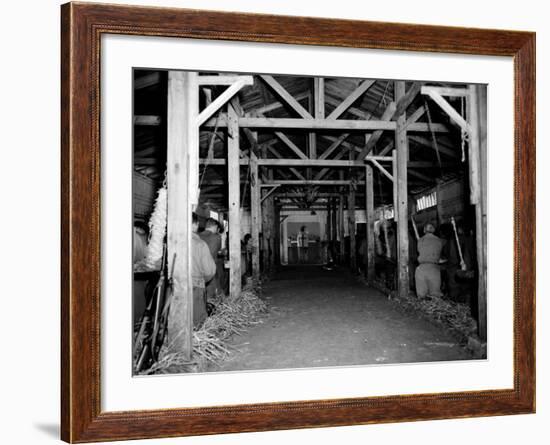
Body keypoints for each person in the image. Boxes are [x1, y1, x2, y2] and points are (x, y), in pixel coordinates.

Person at [191, 213, 216, 326]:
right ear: (195, 224)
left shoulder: (169, 242)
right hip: (195, 285)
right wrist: (203, 280)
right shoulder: (200, 244)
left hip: (172, 288)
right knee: (197, 322)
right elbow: (209, 271)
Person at [415, 222, 444, 298]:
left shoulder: (420, 240)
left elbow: (419, 251)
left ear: (424, 230)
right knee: (435, 295)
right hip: (434, 269)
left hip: (421, 269)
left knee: (421, 296)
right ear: (434, 230)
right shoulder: (439, 241)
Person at [199, 218, 223, 300]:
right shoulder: (217, 237)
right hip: (211, 268)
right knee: (213, 292)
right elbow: (220, 251)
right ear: (215, 226)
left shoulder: (197, 236)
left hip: (198, 269)